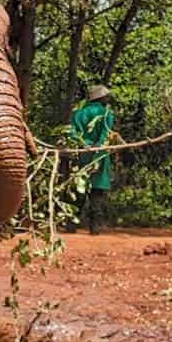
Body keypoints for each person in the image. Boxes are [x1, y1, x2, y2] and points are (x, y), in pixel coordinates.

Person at [69, 81, 115, 233]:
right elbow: (105, 134)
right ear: (101, 98)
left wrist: (84, 144)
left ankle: (71, 225)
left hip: (82, 153)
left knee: (79, 188)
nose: (108, 100)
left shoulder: (79, 113)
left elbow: (72, 133)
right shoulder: (107, 114)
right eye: (106, 97)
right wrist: (98, 145)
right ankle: (94, 228)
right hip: (99, 155)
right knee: (96, 190)